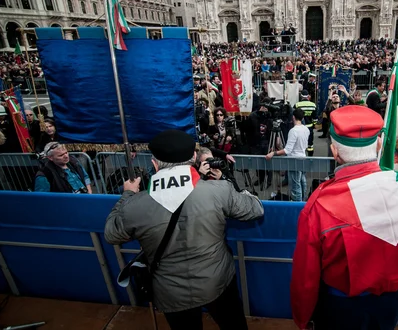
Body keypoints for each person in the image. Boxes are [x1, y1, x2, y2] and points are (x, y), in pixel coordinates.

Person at [104, 130, 264, 330]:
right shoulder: (219, 190)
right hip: (216, 282)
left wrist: (127, 194)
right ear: (194, 157)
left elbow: (112, 234)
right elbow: (255, 209)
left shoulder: (134, 204)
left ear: (155, 163)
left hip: (170, 291)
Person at [290, 105, 398, 330]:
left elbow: (306, 277)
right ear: (380, 144)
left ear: (334, 151)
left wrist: (303, 318)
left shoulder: (319, 206)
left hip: (341, 308)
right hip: (391, 303)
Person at [266, 108, 310, 201]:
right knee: (302, 181)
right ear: (302, 118)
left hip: (294, 160)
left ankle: (297, 204)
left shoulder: (293, 131)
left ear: (293, 117)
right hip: (303, 157)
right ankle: (303, 200)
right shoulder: (306, 129)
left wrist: (273, 153)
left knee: (295, 184)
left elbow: (287, 150)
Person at [294, 90, 317, 156]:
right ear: (308, 96)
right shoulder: (313, 105)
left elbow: (294, 115)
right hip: (309, 127)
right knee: (310, 143)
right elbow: (315, 117)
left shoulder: (297, 105)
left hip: (300, 127)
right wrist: (314, 124)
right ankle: (310, 158)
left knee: (300, 142)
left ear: (301, 96)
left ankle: (301, 155)